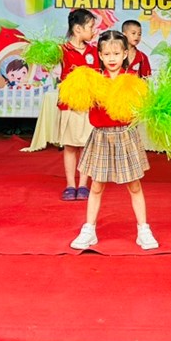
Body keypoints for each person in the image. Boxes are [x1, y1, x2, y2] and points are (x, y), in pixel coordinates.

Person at [69, 30, 158, 251]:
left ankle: (143, 230)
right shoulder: (92, 80)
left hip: (126, 135)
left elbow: (142, 109)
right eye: (107, 54)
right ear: (99, 55)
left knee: (134, 185)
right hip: (101, 136)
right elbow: (76, 103)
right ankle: (89, 229)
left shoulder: (133, 81)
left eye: (116, 53)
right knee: (96, 186)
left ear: (125, 54)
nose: (111, 58)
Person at [58, 9, 98, 201]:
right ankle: (70, 185)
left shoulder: (94, 51)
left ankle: (83, 185)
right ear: (77, 29)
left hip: (90, 107)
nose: (94, 30)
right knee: (70, 146)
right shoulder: (61, 51)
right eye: (91, 27)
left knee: (86, 146)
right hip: (70, 106)